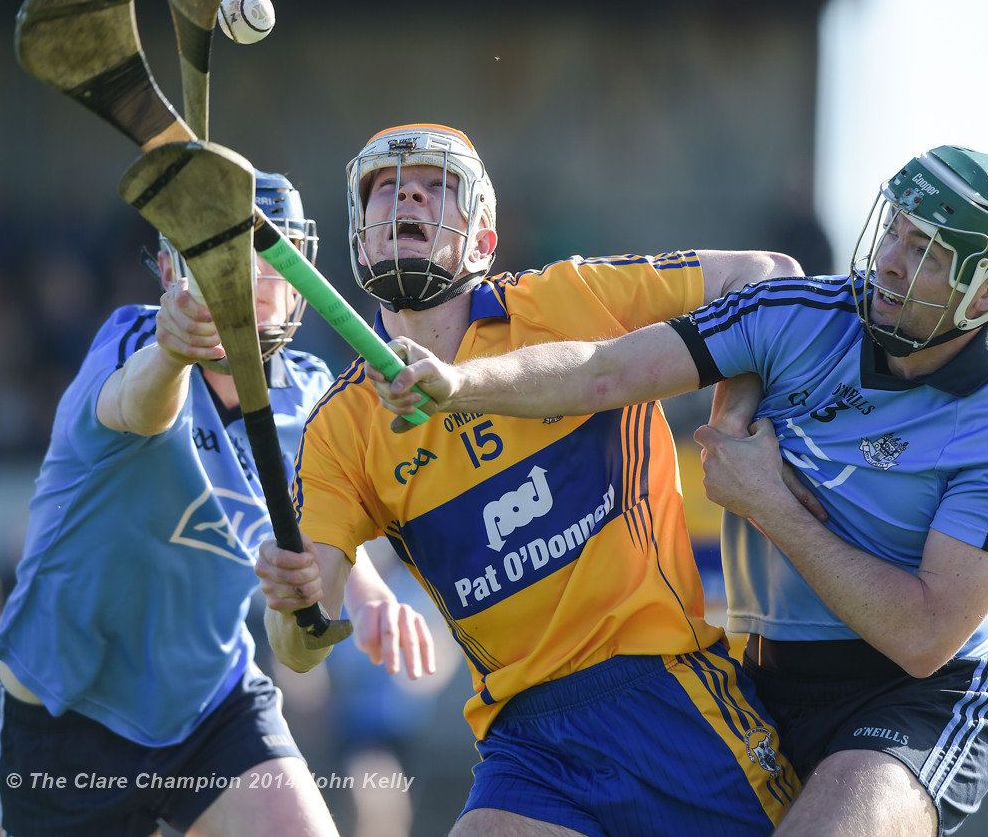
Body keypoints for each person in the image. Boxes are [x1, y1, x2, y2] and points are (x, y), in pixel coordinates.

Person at [373, 145, 988, 836]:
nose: (889, 262)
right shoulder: (799, 316)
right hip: (755, 682)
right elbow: (606, 371)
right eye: (894, 230)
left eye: (927, 253)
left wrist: (769, 504)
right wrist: (462, 383)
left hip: (909, 702)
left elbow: (923, 636)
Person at [256, 123, 805, 837]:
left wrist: (731, 425)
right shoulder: (341, 427)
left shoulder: (570, 299)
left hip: (665, 693)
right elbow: (302, 643)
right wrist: (292, 607)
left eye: (437, 184)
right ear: (361, 240)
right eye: (387, 187)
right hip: (526, 739)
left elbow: (768, 274)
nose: (409, 192)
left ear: (484, 241)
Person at [0, 170, 436, 837]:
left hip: (211, 705)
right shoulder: (131, 345)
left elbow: (320, 518)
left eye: (269, 263)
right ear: (171, 272)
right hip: (67, 715)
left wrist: (369, 599)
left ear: (300, 275)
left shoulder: (311, 396)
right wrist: (171, 354)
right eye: (221, 263)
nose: (248, 284)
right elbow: (137, 407)